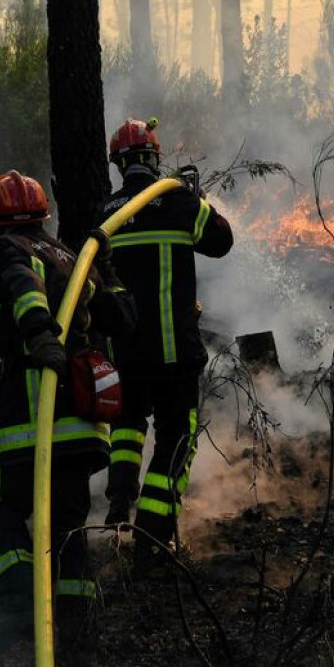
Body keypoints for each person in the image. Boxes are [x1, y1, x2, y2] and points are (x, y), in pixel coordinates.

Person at [0, 170, 136, 657]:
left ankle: (21, 604)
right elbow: (122, 319)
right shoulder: (70, 257)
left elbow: (23, 288)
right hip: (82, 428)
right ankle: (75, 631)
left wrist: (40, 334)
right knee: (67, 529)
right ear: (45, 213)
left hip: (28, 415)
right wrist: (108, 269)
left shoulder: (4, 251)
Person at [99, 119, 234, 569]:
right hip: (174, 354)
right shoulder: (178, 202)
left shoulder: (105, 214)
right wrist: (198, 198)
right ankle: (153, 541)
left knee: (127, 427)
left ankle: (118, 510)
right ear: (155, 159)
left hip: (127, 354)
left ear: (119, 164)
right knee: (177, 439)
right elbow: (221, 242)